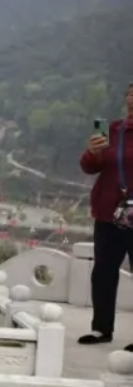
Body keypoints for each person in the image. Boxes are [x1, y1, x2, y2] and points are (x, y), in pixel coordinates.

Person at [77, 82, 133, 349]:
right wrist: (93, 152)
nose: (132, 98)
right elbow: (89, 167)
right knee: (103, 272)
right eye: (130, 93)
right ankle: (101, 328)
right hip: (110, 212)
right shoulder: (112, 130)